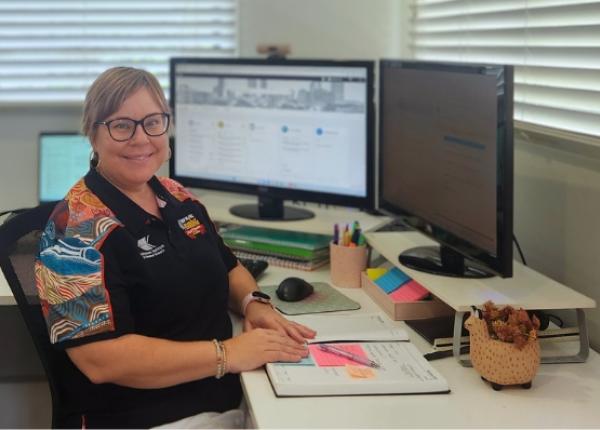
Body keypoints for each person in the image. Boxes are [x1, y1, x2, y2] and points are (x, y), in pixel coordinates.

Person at [35, 66, 316, 428]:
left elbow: (226, 265)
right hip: (150, 416)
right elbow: (101, 360)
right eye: (121, 126)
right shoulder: (74, 230)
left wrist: (253, 302)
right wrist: (227, 354)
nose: (141, 139)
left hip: (229, 392)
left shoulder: (176, 196)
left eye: (153, 121)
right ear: (93, 133)